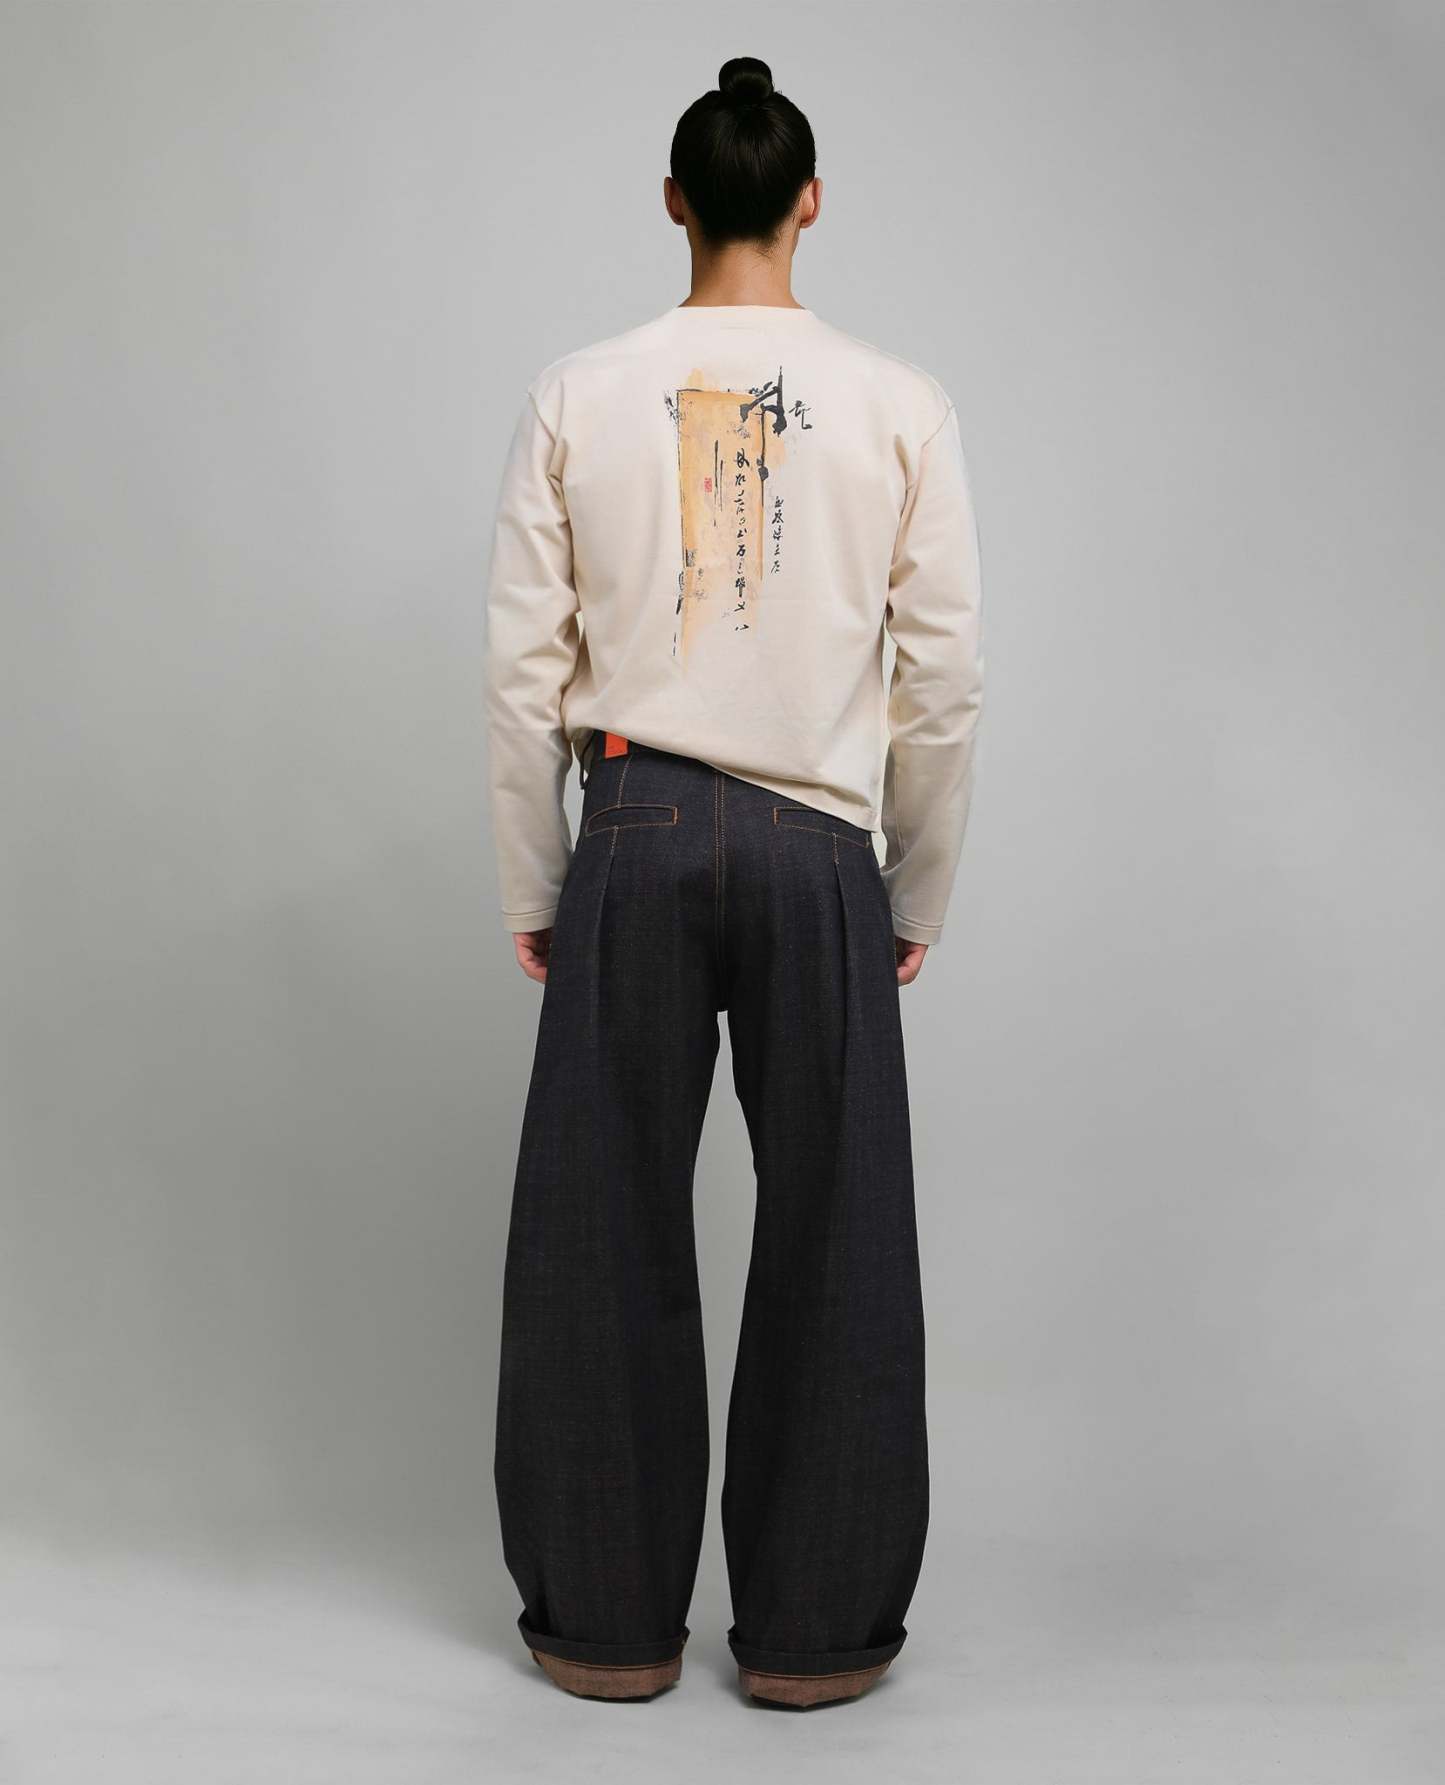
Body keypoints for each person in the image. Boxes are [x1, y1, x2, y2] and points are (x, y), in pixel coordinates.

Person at [484, 55, 984, 1709]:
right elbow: (941, 681)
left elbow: (520, 673)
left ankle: (603, 1625)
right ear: (810, 202)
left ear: (676, 202)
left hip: (629, 825)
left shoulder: (578, 391)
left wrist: (538, 876)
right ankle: (814, 1637)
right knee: (837, 1227)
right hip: (818, 843)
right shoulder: (900, 404)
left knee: (598, 1222)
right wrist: (911, 889)